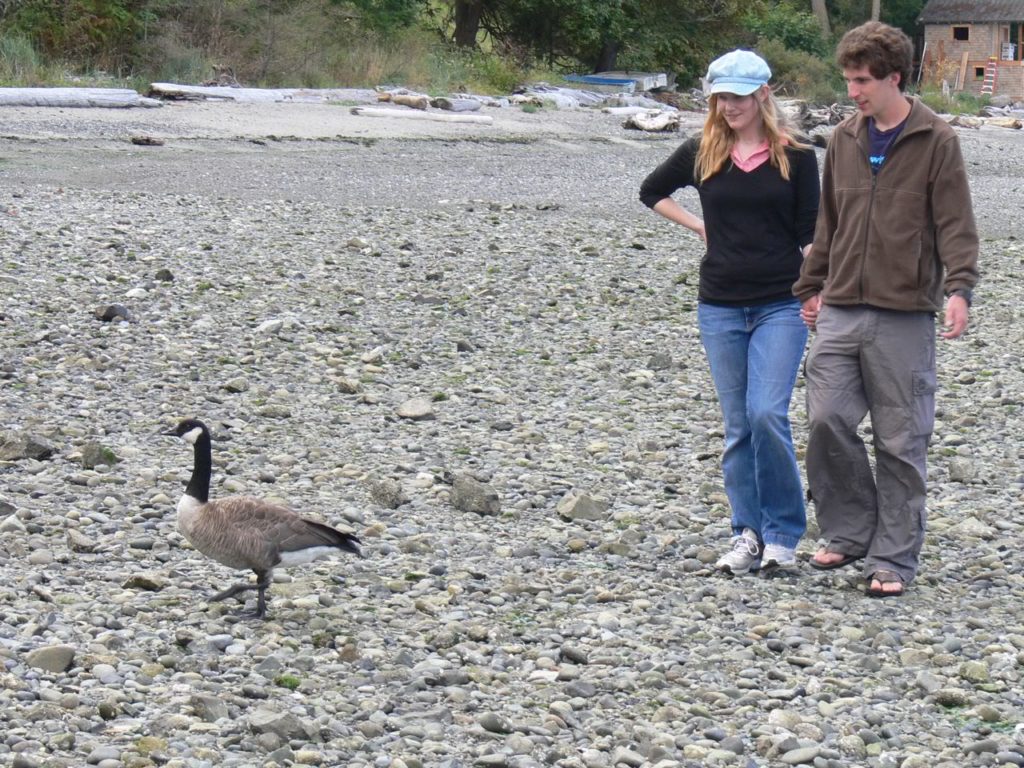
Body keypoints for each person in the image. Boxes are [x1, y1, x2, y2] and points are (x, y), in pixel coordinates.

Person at [793, 21, 979, 597]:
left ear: (894, 77)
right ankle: (851, 531)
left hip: (904, 313)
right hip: (841, 305)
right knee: (826, 420)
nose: (853, 92)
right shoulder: (844, 139)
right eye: (849, 80)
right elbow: (829, 222)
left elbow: (955, 223)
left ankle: (893, 557)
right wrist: (810, 286)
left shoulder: (936, 139)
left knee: (901, 440)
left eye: (863, 81)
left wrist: (960, 289)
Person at [640, 50, 820, 574]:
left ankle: (783, 533)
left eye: (737, 97)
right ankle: (747, 533)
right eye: (720, 97)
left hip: (781, 303)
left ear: (763, 94)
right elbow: (651, 191)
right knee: (738, 425)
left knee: (767, 414)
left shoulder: (797, 156)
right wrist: (699, 226)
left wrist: (816, 288)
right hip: (719, 305)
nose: (728, 106)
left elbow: (810, 231)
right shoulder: (701, 151)